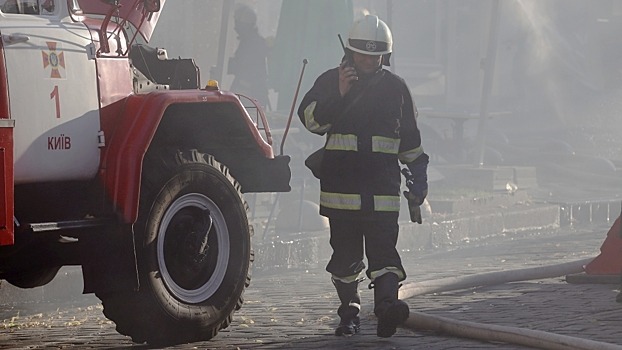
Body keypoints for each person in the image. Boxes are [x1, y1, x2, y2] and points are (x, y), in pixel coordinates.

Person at [297, 15, 429, 337]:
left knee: (385, 255)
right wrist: (339, 94)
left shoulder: (397, 89)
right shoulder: (332, 81)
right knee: (345, 260)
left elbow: (410, 142)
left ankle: (387, 308)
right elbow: (310, 121)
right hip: (341, 193)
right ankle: (350, 314)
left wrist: (419, 178)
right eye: (362, 54)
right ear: (350, 52)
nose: (369, 61)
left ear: (385, 55)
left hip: (382, 192)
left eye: (376, 55)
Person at [227, 4, 270, 110]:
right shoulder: (250, 42)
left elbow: (249, 70)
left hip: (249, 94)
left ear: (245, 25)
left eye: (238, 24)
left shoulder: (252, 43)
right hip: (251, 94)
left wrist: (235, 65)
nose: (235, 28)